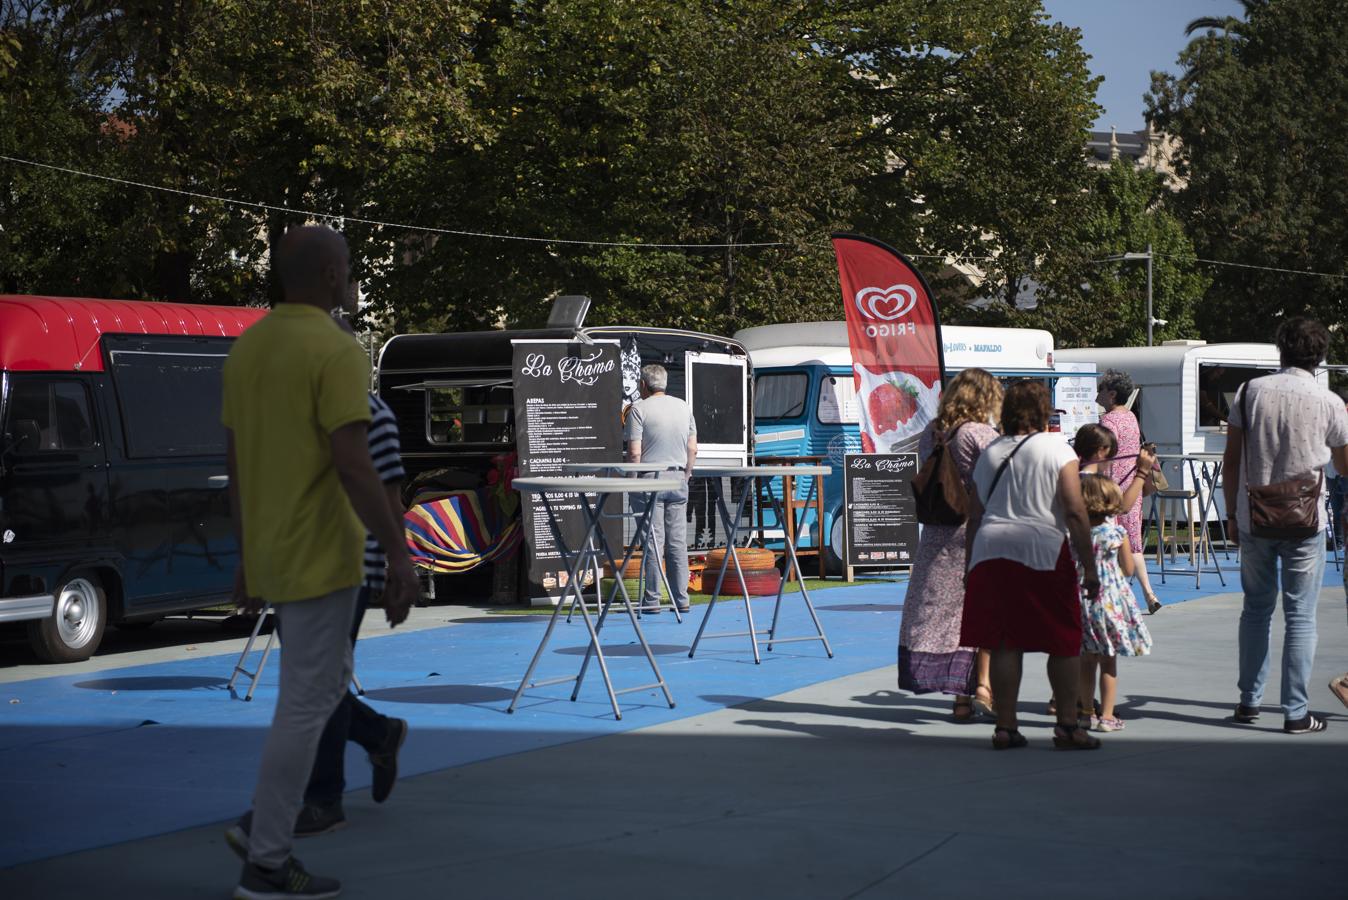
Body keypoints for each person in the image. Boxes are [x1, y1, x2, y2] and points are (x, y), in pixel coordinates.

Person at [223, 225, 419, 899]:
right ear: (334, 276)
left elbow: (235, 459)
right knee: (305, 705)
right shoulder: (337, 351)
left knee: (323, 686)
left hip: (276, 549)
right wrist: (398, 550)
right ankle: (266, 855)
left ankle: (277, 825)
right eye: (349, 269)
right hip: (325, 554)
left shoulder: (248, 348)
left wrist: (246, 556)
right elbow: (353, 460)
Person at [1223, 316, 1348, 735]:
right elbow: (1343, 464)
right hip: (1304, 519)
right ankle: (1295, 711)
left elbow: (1233, 460)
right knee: (1301, 616)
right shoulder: (1328, 401)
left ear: (1281, 348)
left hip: (1254, 515)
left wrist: (1231, 513)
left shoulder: (1248, 393)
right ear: (1321, 355)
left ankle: (1248, 701)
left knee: (1255, 610)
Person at [960, 380, 1100, 751]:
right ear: (1042, 410)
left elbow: (975, 516)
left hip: (991, 550)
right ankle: (1068, 726)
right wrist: (1090, 566)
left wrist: (969, 566)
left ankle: (1006, 727)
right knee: (1064, 640)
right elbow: (1073, 509)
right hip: (1042, 548)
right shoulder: (1056, 448)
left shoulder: (990, 452)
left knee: (1005, 640)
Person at [897, 368, 1002, 720]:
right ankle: (984, 687)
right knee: (983, 607)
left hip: (939, 531)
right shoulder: (979, 433)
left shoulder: (932, 432)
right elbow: (999, 477)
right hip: (976, 527)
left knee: (946, 613)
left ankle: (959, 695)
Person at [1077, 474, 1153, 733]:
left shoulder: (1075, 533)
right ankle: (1107, 717)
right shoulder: (1117, 532)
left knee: (1086, 659)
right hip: (1110, 602)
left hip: (1083, 599)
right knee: (1108, 661)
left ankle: (1086, 713)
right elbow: (1129, 568)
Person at [626, 363, 697, 614]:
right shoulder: (683, 407)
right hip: (677, 479)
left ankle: (652, 600)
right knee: (677, 542)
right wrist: (686, 474)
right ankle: (682, 599)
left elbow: (634, 453)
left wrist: (632, 482)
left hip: (649, 480)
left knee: (653, 542)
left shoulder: (637, 409)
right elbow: (692, 448)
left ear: (643, 385)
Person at [1074, 423, 1162, 614]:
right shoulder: (1101, 485)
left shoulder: (1070, 482)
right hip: (1106, 593)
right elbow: (1123, 507)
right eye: (1111, 455)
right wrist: (1142, 472)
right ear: (1101, 451)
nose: (1113, 461)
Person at [1096, 369, 1161, 615]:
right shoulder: (1131, 417)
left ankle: (1118, 597)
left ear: (1112, 394)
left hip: (1111, 486)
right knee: (1133, 543)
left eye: (1101, 389)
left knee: (1109, 542)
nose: (1098, 393)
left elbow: (1103, 454)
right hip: (1132, 483)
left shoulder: (1108, 421)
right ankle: (1148, 592)